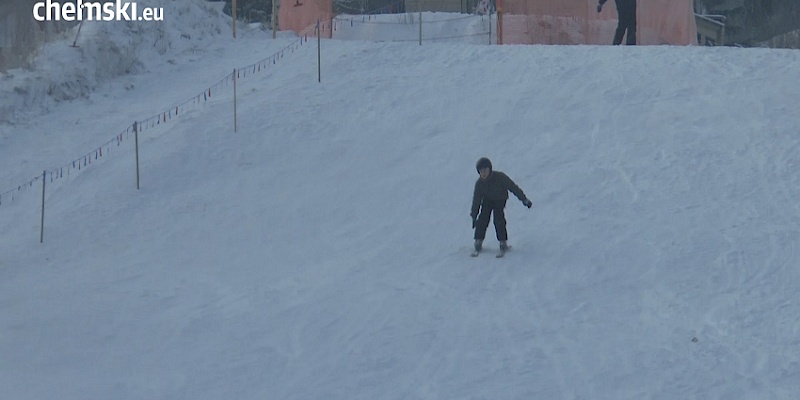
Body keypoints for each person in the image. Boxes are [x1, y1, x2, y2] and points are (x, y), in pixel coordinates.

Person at [470, 157, 532, 253]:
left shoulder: (500, 177)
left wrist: (524, 199)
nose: (484, 173)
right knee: (483, 219)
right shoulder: (479, 184)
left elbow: (513, 187)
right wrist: (474, 216)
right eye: (481, 171)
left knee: (499, 219)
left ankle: (503, 241)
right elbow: (476, 200)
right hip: (488, 201)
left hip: (500, 199)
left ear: (490, 169)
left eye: (485, 170)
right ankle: (478, 240)